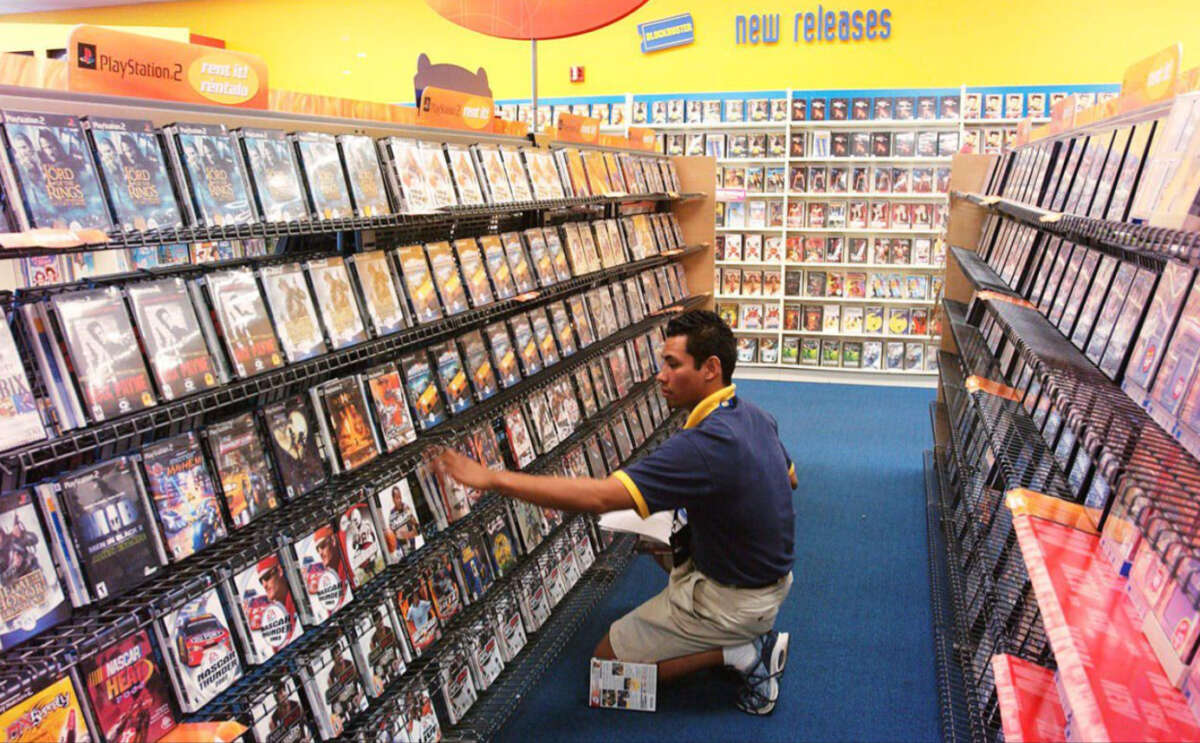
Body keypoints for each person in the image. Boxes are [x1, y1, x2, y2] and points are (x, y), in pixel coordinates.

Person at [435, 309, 797, 715]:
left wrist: (493, 479)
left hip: (735, 602)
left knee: (605, 672)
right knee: (657, 537)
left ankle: (739, 652)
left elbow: (599, 498)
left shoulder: (703, 446)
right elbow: (790, 479)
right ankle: (728, 630)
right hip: (768, 580)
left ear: (711, 368)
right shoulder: (752, 415)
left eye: (673, 364)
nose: (660, 375)